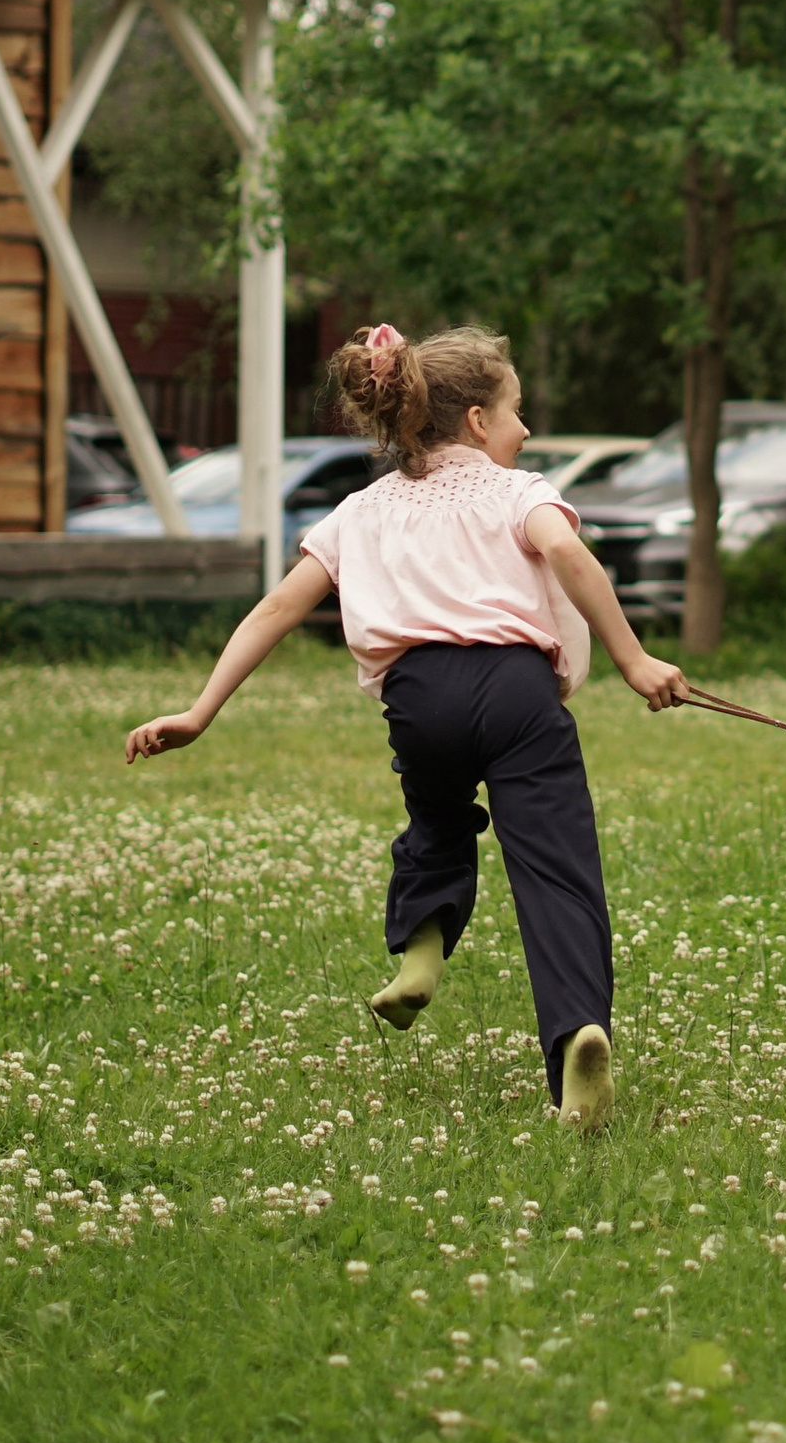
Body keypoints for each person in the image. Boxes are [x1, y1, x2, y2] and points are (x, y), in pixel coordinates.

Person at [123, 323, 687, 1131]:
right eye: (516, 410)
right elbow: (569, 555)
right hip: (519, 690)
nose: (525, 430)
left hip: (420, 698)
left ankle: (420, 954)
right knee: (558, 867)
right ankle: (575, 1041)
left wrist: (200, 709)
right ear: (477, 424)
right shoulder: (516, 490)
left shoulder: (361, 509)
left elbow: (281, 606)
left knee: (436, 821)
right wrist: (635, 661)